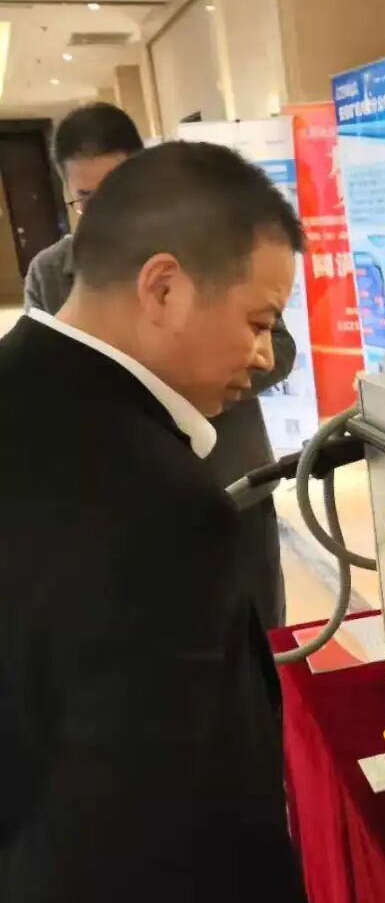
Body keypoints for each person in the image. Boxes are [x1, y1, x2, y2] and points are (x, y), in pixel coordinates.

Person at [0, 141, 313, 903]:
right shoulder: (161, 500)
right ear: (165, 285)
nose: (264, 356)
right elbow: (120, 789)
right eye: (258, 320)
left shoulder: (18, 382)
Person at [25, 102, 296, 629]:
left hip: (232, 486)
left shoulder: (213, 249)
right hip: (124, 506)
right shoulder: (51, 272)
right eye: (87, 198)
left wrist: (202, 378)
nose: (106, 212)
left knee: (262, 642)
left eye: (119, 190)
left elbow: (275, 350)